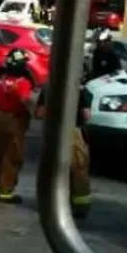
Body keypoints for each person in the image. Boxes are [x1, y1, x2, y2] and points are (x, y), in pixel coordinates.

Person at [34, 84, 92, 219]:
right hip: (73, 132)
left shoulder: (48, 89)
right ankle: (80, 205)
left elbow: (39, 114)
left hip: (52, 131)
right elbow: (87, 115)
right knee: (78, 168)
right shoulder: (81, 91)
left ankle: (51, 203)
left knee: (52, 167)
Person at [0, 48, 35, 203]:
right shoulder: (23, 83)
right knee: (12, 156)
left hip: (0, 119)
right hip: (15, 121)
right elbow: (25, 101)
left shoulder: (0, 81)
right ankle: (6, 191)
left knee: (0, 154)